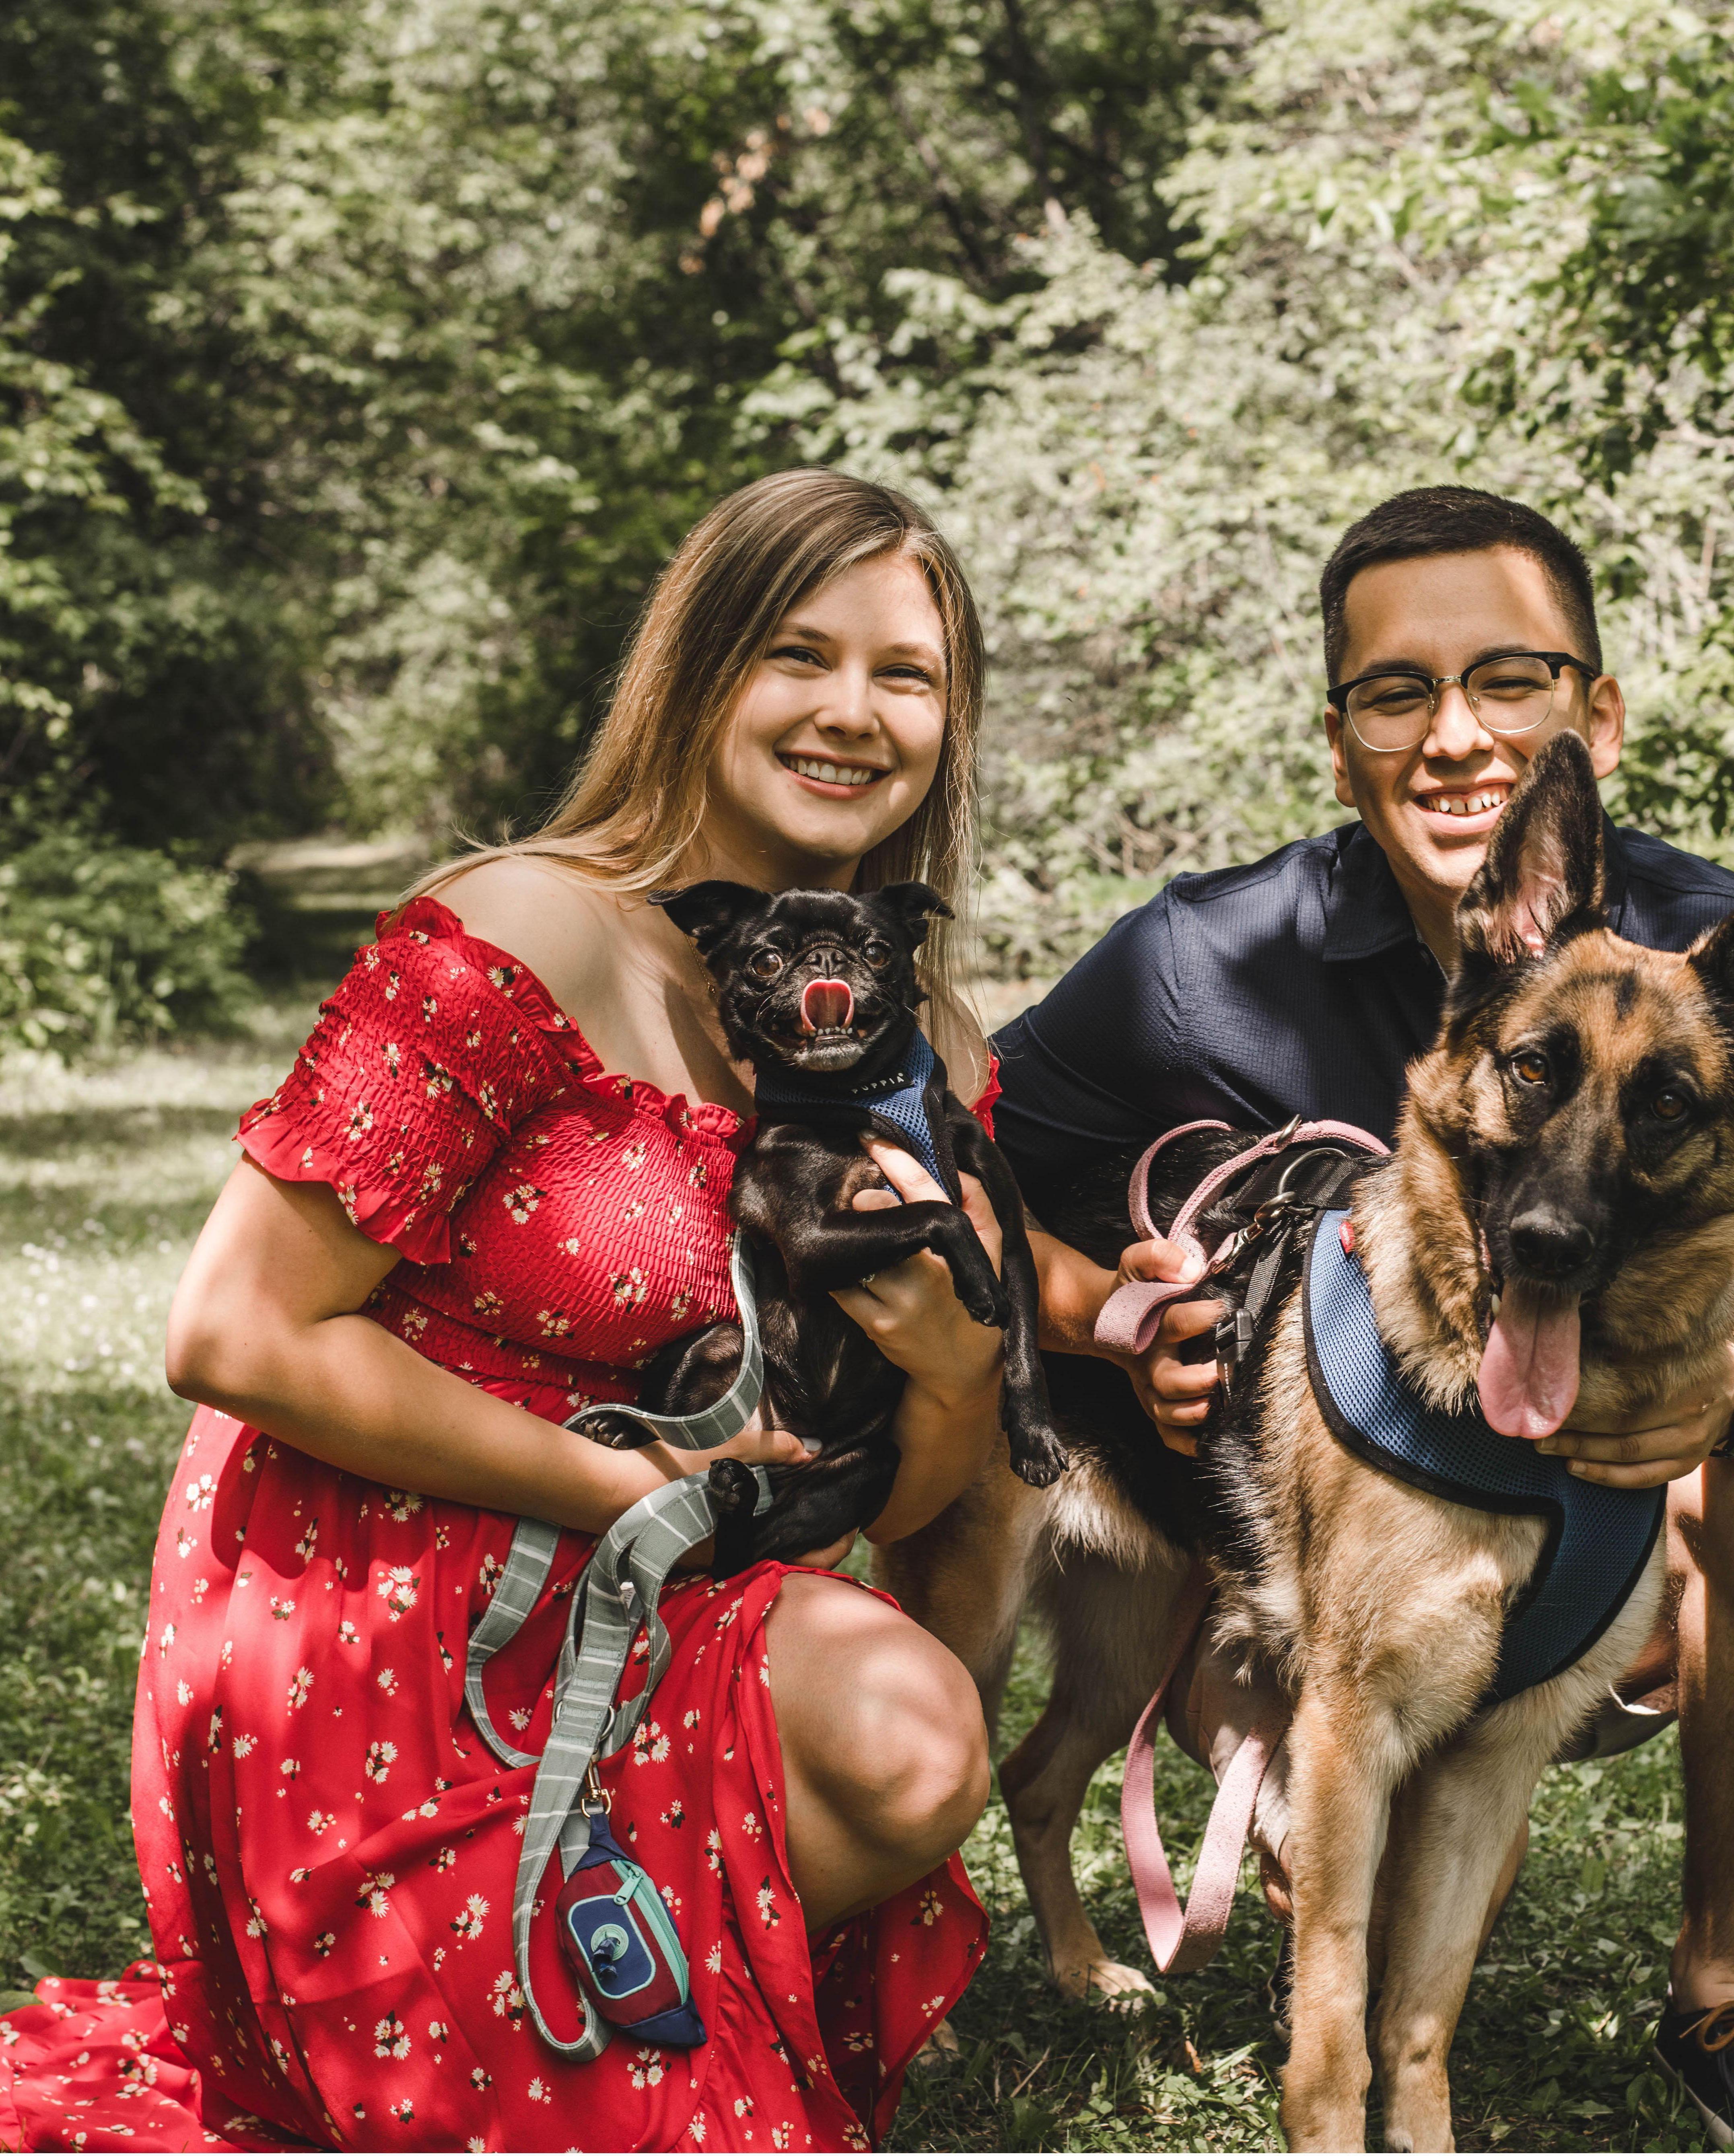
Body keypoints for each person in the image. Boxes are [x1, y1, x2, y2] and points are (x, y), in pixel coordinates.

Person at [0, 470, 1009, 2153]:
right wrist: (618, 1488)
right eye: (796, 654)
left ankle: (588, 1980)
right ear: (696, 675)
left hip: (644, 1610)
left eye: (904, 674)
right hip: (360, 1606)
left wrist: (961, 1376)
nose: (852, 710)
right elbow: (232, 1332)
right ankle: (479, 1991)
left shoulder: (919, 1051)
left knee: (910, 1730)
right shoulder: (518, 929)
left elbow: (879, 1502)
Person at [999, 488, 1734, 2149]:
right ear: (1338, 740)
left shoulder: (1709, 968)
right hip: (1263, 1546)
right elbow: (960, 1151)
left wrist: (1712, 1403)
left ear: (1591, 717)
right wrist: (1096, 1305)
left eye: (1507, 681)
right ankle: (1321, 2035)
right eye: (1395, 690)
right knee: (1360, 1724)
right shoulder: (1199, 955)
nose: (1454, 733)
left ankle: (1717, 1985)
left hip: (1578, 1523)